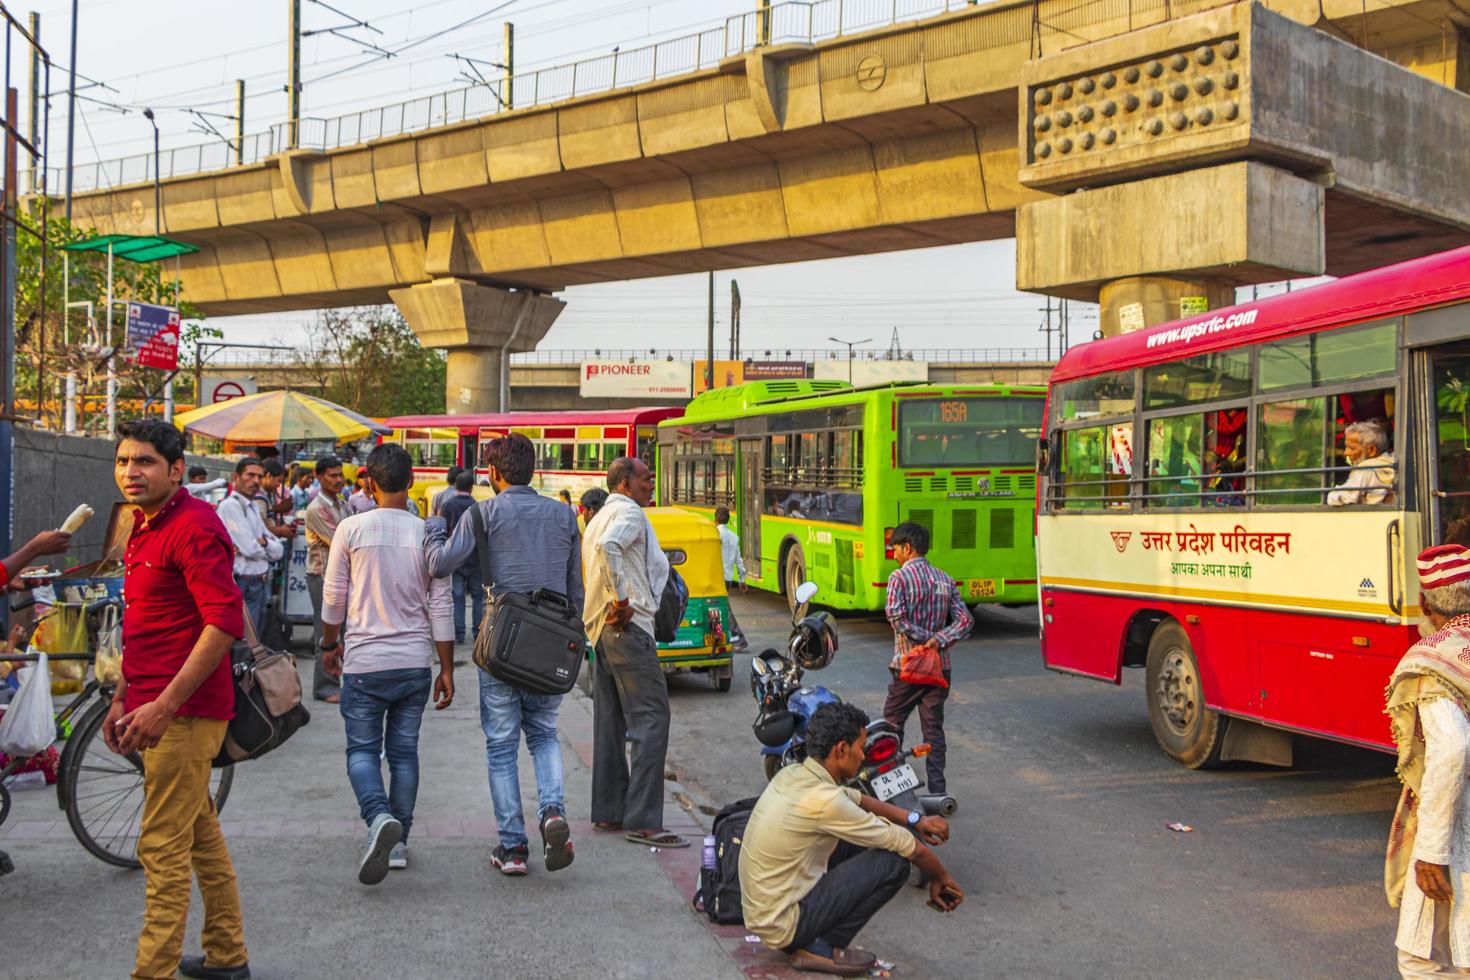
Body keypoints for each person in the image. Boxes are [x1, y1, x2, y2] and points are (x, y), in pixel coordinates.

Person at [106, 418, 250, 980]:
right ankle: (227, 953)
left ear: (174, 469)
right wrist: (123, 696)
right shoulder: (143, 525)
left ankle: (153, 972)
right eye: (123, 461)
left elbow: (224, 621)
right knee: (198, 837)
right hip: (152, 704)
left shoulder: (193, 526)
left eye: (143, 462)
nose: (131, 472)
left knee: (162, 851)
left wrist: (162, 706)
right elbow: (149, 627)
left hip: (183, 716)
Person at [425, 434, 583, 875]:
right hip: (551, 641)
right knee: (545, 734)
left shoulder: (483, 513)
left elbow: (439, 564)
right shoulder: (564, 513)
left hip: (501, 645)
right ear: (531, 469)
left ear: (492, 473)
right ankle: (552, 812)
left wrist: (436, 523)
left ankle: (513, 848)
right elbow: (575, 586)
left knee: (501, 747)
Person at [740, 702, 963, 976]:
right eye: (860, 747)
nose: (863, 754)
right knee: (894, 862)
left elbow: (857, 798)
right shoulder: (825, 801)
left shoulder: (793, 774)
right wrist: (941, 878)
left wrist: (915, 819)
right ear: (841, 750)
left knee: (863, 837)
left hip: (764, 913)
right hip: (784, 925)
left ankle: (816, 939)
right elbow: (911, 849)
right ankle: (820, 947)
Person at [319, 443, 455, 885]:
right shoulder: (427, 535)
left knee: (362, 751)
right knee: (403, 754)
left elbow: (334, 597)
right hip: (413, 663)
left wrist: (327, 644)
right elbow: (442, 606)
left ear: (370, 484)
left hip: (364, 662)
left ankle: (378, 818)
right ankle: (398, 842)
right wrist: (446, 668)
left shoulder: (350, 529)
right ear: (411, 481)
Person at [581, 456, 685, 848]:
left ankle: (609, 810)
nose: (650, 484)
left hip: (601, 631)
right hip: (627, 626)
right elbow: (611, 548)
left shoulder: (597, 519)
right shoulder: (628, 516)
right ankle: (643, 820)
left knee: (610, 722)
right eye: (645, 479)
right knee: (652, 718)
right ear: (624, 484)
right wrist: (622, 599)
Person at [1386, 544, 1470, 977]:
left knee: (1423, 959)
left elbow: (1452, 745)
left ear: (1424, 603)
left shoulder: (1434, 658)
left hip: (1457, 831)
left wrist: (1432, 853)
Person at [882, 521, 973, 796]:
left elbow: (897, 618)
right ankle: (938, 793)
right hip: (939, 669)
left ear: (907, 548)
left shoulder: (899, 578)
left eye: (895, 548)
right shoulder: (944, 579)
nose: (894, 554)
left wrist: (924, 638)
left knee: (891, 725)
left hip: (908, 667)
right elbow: (965, 620)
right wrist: (939, 640)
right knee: (933, 730)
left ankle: (892, 788)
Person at [217, 457, 284, 641]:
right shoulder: (230, 506)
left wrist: (263, 543)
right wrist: (262, 545)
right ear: (236, 477)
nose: (256, 481)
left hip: (259, 582)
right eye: (250, 475)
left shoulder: (252, 506)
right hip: (243, 583)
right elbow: (250, 549)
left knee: (255, 640)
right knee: (246, 642)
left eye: (259, 476)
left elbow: (277, 550)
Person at [305, 457, 349, 703]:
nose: (339, 479)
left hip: (337, 576)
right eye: (333, 475)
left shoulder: (340, 504)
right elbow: (340, 542)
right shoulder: (316, 509)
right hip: (322, 576)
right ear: (319, 476)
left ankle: (334, 680)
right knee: (325, 632)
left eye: (340, 474)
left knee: (338, 631)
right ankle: (325, 687)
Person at [437, 470, 484, 645]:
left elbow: (442, 533)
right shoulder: (478, 507)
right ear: (472, 488)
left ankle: (459, 634)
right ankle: (477, 633)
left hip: (455, 560)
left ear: (456, 486)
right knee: (478, 597)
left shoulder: (447, 506)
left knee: (457, 597)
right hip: (475, 560)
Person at [1328, 420, 1396, 506]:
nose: (1346, 453)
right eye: (1346, 447)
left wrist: (1332, 494)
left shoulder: (1365, 470)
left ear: (1371, 450)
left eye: (1352, 448)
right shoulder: (1391, 462)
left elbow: (1336, 499)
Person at [714, 506, 748, 592]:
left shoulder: (714, 533)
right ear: (728, 520)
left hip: (716, 578)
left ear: (716, 520)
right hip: (728, 579)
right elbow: (738, 560)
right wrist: (742, 580)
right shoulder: (734, 537)